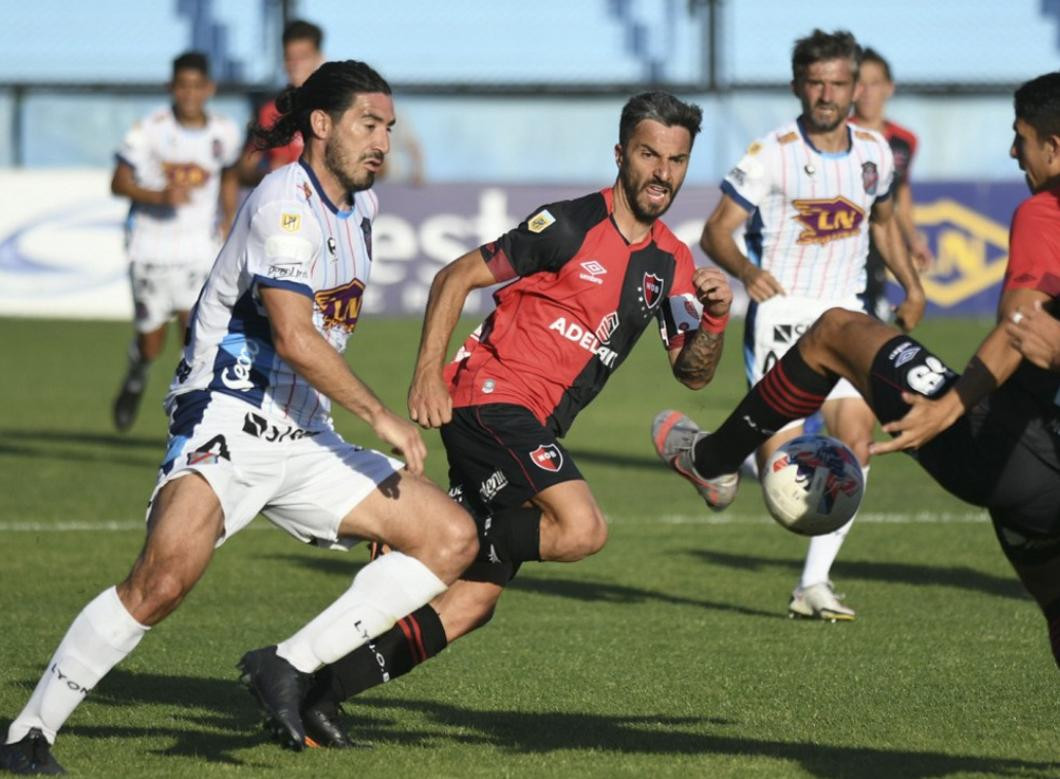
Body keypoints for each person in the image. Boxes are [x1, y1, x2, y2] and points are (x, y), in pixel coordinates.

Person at [0, 60, 479, 774]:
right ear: (321, 125)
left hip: (305, 433)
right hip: (227, 415)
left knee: (450, 537)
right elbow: (292, 334)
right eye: (367, 124)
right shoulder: (285, 200)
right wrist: (381, 414)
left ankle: (286, 664)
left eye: (388, 127)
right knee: (162, 580)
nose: (382, 140)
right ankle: (27, 734)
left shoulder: (365, 209)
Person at [257, 91, 732, 749]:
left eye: (677, 160)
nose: (663, 172)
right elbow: (455, 276)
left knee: (474, 600)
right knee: (583, 527)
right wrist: (427, 372)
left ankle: (320, 691)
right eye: (650, 154)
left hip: (533, 424)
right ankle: (447, 522)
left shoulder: (673, 263)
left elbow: (694, 372)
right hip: (488, 398)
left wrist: (714, 316)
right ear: (622, 154)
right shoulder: (566, 225)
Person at [655, 70, 1060, 668]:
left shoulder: (1045, 210)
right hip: (1032, 467)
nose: (1012, 151)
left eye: (1020, 137)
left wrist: (952, 405)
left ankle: (713, 462)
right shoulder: (783, 153)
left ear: (1054, 147)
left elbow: (1024, 327)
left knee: (837, 330)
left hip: (1011, 455)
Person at [693, 29, 926, 621]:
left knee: (856, 443)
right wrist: (746, 270)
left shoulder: (874, 151)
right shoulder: (770, 153)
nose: (827, 93)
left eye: (838, 82)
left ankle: (812, 585)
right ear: (799, 85)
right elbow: (716, 230)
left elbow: (881, 222)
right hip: (785, 316)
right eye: (815, 82)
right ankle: (716, 459)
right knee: (787, 476)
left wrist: (913, 285)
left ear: (855, 87)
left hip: (848, 317)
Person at [111, 51, 242, 432]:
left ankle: (190, 415)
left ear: (209, 89)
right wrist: (159, 196)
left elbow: (230, 174)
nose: (188, 94)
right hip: (151, 246)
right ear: (172, 87)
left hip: (199, 248)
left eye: (196, 86)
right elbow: (118, 182)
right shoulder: (148, 129)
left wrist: (229, 217)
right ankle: (137, 373)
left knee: (197, 336)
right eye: (181, 86)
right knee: (152, 341)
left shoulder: (224, 132)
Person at [851, 47, 934, 320]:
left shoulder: (904, 140)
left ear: (889, 88)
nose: (866, 91)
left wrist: (912, 239)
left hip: (880, 243)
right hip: (845, 242)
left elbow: (900, 194)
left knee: (870, 316)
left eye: (874, 83)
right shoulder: (838, 135)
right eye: (859, 83)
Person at [236, 20, 326, 186]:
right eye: (289, 58)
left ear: (319, 58)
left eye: (303, 57)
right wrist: (269, 173)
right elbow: (244, 169)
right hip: (285, 206)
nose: (295, 65)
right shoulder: (269, 111)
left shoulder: (336, 106)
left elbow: (377, 166)